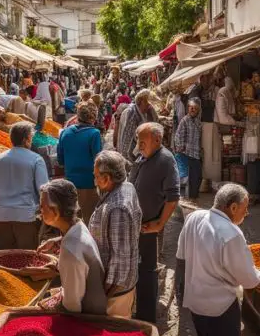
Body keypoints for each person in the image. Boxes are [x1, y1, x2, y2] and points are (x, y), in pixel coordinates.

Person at [176, 184, 260, 336]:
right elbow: (249, 280)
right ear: (232, 207)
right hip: (220, 308)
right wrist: (258, 274)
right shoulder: (231, 234)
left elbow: (181, 256)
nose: (246, 213)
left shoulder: (195, 218)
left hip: (195, 302)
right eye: (244, 208)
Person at [128, 122, 179, 323]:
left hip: (149, 227)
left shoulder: (166, 160)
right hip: (137, 224)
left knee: (147, 270)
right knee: (139, 269)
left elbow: (173, 197)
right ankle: (139, 309)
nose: (139, 145)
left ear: (157, 140)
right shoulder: (144, 156)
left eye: (143, 141)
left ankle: (147, 318)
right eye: (138, 141)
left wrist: (159, 223)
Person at [39, 179, 107, 314]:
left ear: (56, 211)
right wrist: (57, 240)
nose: (40, 210)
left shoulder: (70, 251)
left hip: (88, 316)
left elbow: (72, 306)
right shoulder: (79, 226)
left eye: (42, 206)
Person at [88, 151, 142, 318]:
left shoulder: (117, 207)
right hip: (116, 284)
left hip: (116, 290)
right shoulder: (126, 186)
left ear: (107, 178)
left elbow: (121, 258)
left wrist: (105, 293)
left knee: (115, 332)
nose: (94, 180)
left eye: (96, 175)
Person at [0, 122, 49, 250]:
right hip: (25, 215)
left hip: (1, 214)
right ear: (26, 140)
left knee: (6, 256)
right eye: (31, 138)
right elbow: (44, 190)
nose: (31, 141)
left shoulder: (0, 158)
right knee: (26, 256)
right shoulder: (36, 159)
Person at [57, 102, 103, 224]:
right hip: (89, 185)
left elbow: (60, 160)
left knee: (73, 221)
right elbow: (98, 160)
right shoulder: (94, 134)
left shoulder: (65, 133)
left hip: (70, 183)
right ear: (93, 117)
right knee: (89, 221)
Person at [189, 74, 221, 183]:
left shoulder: (200, 90)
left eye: (209, 78)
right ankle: (202, 179)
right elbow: (196, 109)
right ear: (202, 79)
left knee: (205, 152)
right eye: (206, 79)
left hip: (204, 124)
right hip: (202, 124)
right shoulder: (196, 91)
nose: (208, 81)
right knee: (203, 152)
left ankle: (203, 179)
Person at [117, 89, 160, 162]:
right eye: (147, 102)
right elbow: (127, 140)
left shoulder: (147, 112)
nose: (149, 105)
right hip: (131, 156)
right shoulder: (132, 113)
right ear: (141, 101)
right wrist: (127, 160)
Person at [174, 98, 203, 200]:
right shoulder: (185, 120)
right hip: (186, 154)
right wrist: (181, 149)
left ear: (198, 109)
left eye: (195, 108)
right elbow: (178, 136)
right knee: (189, 179)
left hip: (196, 154)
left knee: (197, 177)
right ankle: (190, 200)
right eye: (191, 107)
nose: (192, 109)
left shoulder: (198, 122)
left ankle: (193, 198)